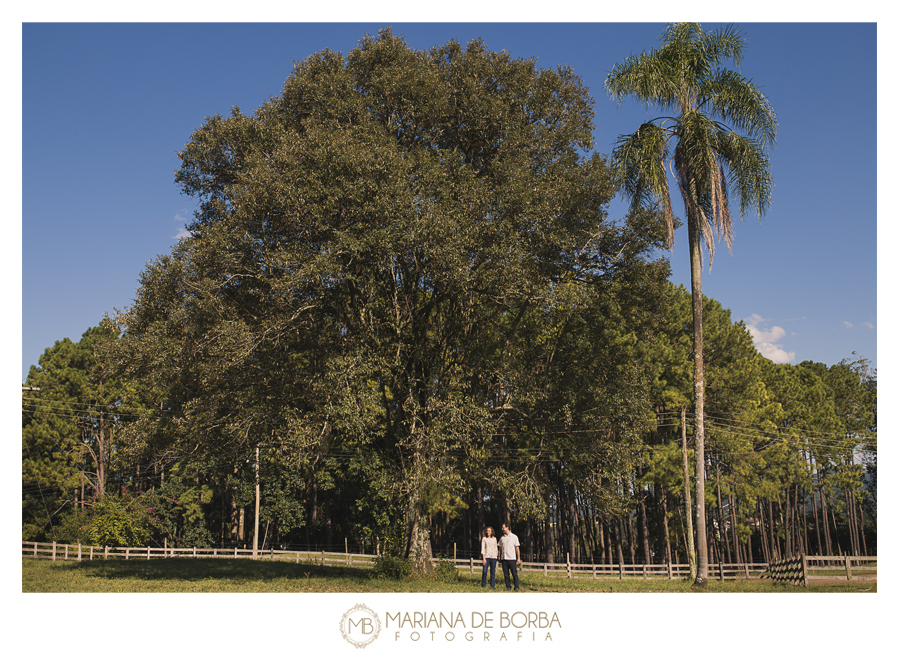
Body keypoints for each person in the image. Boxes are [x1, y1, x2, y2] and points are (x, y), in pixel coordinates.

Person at [497, 523, 521, 591]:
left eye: (503, 528)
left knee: (514, 573)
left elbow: (517, 548)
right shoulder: (502, 538)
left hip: (512, 558)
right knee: (506, 574)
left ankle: (516, 586)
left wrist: (518, 558)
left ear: (507, 528)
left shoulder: (514, 537)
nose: (502, 529)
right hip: (504, 558)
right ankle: (508, 586)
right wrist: (499, 556)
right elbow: (500, 548)